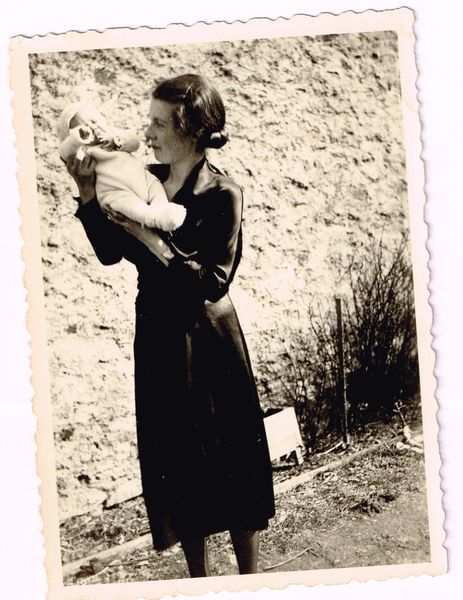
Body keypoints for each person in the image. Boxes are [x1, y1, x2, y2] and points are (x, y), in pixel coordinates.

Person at [65, 73, 275, 578]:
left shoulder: (223, 192)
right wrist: (87, 190)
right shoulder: (142, 179)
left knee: (231, 457)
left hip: (212, 338)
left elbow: (213, 280)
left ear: (191, 130)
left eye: (158, 123)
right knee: (178, 459)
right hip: (159, 334)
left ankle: (251, 580)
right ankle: (199, 581)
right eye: (149, 121)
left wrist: (150, 239)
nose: (147, 132)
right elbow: (109, 253)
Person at [58, 100, 186, 231]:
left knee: (156, 187)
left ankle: (164, 210)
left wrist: (116, 140)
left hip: (142, 178)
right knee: (135, 209)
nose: (92, 127)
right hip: (116, 192)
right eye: (84, 127)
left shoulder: (114, 135)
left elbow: (135, 142)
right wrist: (77, 137)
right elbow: (64, 154)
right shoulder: (86, 150)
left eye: (94, 121)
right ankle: (155, 219)